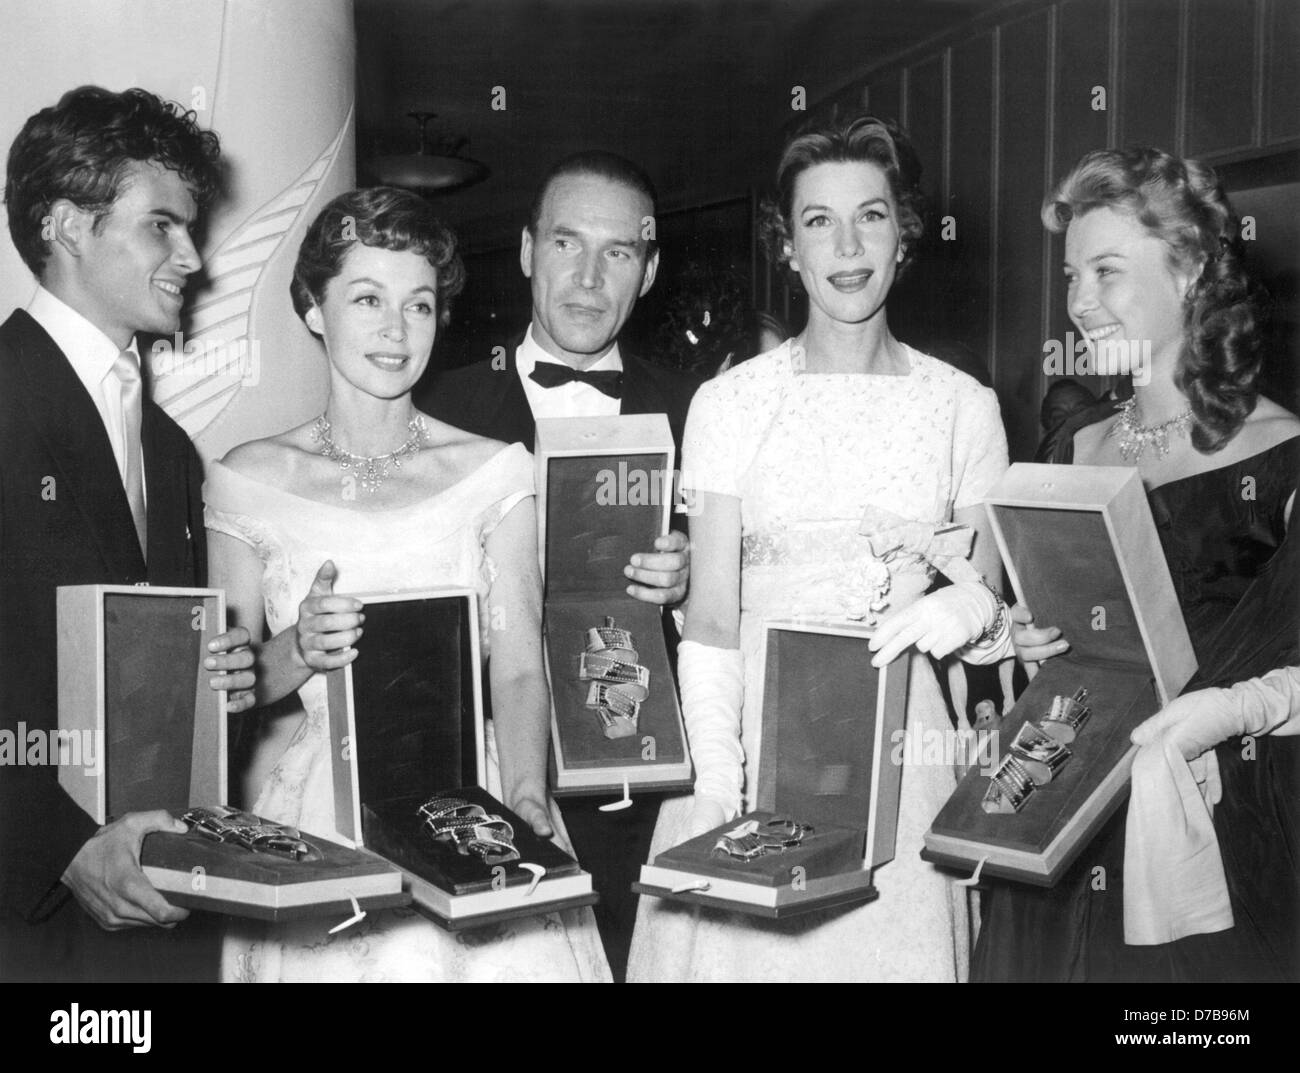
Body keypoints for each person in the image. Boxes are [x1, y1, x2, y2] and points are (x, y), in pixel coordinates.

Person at [626, 116, 1012, 982]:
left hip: (902, 747)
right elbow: (714, 617)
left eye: (871, 216)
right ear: (788, 247)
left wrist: (967, 606)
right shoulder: (728, 404)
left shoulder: (965, 406)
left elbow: (988, 606)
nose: (847, 245)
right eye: (817, 222)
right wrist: (718, 783)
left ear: (904, 236)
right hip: (758, 740)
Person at [205, 186, 609, 982]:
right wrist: (297, 648)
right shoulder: (245, 479)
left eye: (418, 305)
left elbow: (520, 660)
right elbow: (223, 685)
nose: (396, 330)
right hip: (323, 811)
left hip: (478, 794)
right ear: (314, 308)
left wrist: (526, 799)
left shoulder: (496, 470)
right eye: (367, 299)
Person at [973, 146, 1300, 983]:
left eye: (1107, 272)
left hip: (1217, 830)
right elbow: (1050, 639)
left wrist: (1233, 710)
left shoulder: (1284, 457)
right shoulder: (1070, 446)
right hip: (1062, 812)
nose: (1079, 303)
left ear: (1189, 269)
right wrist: (1027, 642)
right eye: (1072, 275)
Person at [420, 152, 698, 980]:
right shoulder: (438, 406)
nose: (587, 276)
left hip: (637, 773)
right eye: (566, 244)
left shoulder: (700, 409)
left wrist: (691, 584)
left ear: (647, 273)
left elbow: (747, 601)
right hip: (474, 769)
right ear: (526, 251)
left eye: (617, 252)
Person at [0, 86, 254, 983]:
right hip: (26, 916)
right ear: (68, 225)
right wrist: (61, 847)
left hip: (159, 912)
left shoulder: (173, 450)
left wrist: (227, 670)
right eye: (162, 227)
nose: (192, 255)